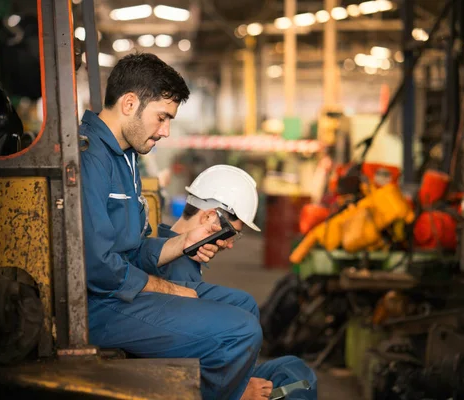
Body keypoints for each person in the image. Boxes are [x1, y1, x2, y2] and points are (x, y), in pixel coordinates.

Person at [80, 52, 266, 400]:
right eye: (162, 118)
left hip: (124, 291)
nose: (165, 131)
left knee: (245, 307)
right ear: (129, 103)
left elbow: (133, 250)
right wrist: (166, 290)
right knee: (241, 332)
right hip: (101, 306)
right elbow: (98, 268)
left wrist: (184, 241)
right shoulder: (90, 158)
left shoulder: (128, 157)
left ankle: (229, 386)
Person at [158, 165, 318, 400]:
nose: (230, 245)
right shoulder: (173, 266)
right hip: (200, 385)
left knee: (294, 372)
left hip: (215, 374)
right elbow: (166, 362)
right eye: (230, 234)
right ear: (209, 216)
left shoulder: (171, 249)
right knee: (296, 382)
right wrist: (235, 392)